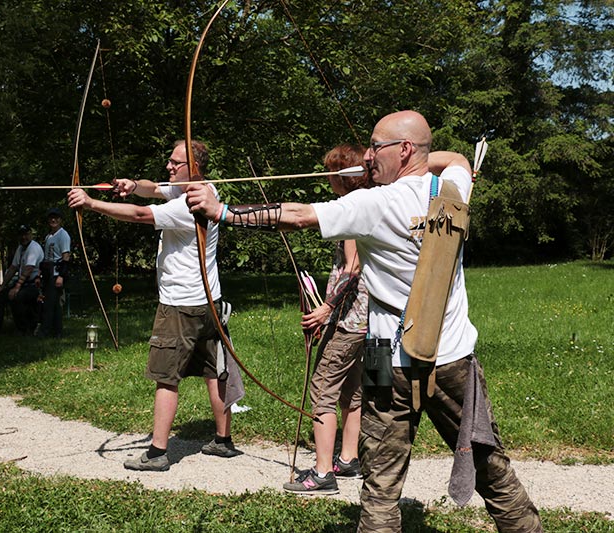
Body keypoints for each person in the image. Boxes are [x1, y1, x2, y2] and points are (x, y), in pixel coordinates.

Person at [187, 111, 542, 532]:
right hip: (451, 356)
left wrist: (222, 210)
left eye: (377, 146)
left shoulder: (374, 202)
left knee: (382, 476)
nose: (369, 155)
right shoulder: (452, 189)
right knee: (486, 459)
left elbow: (297, 215)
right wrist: (416, 159)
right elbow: (460, 159)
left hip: (385, 357)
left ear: (405, 150)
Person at [67, 140, 240, 471]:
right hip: (209, 301)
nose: (169, 167)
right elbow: (152, 191)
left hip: (180, 305)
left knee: (166, 377)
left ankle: (158, 453)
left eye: (176, 163)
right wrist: (133, 185)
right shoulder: (203, 191)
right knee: (212, 372)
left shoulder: (188, 205)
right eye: (170, 162)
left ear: (195, 167)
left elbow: (140, 213)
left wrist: (90, 203)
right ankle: (223, 441)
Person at [282, 144, 370, 495]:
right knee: (353, 391)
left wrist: (327, 307)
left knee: (322, 390)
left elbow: (354, 266)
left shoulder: (351, 211)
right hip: (366, 320)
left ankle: (322, 473)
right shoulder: (372, 206)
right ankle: (348, 459)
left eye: (330, 172)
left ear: (341, 177)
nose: (326, 178)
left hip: (349, 319)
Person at [0, 224, 44, 336]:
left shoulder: (34, 248)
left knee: (17, 296)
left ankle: (23, 329)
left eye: (26, 234)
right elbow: (13, 268)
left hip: (34, 285)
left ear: (31, 234)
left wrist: (16, 287)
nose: (23, 237)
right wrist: (3, 286)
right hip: (23, 284)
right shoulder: (21, 247)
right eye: (21, 235)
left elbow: (29, 269)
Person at [38, 208, 71, 338]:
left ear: (60, 220)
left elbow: (66, 256)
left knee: (50, 304)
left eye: (56, 218)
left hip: (56, 273)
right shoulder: (49, 236)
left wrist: (61, 276)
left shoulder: (63, 235)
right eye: (51, 218)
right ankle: (57, 331)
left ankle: (45, 331)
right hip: (47, 271)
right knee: (54, 304)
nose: (53, 220)